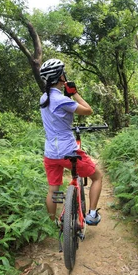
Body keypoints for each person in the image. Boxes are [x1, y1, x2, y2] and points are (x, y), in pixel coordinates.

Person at [39, 58, 102, 226]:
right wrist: (74, 93)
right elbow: (88, 111)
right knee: (97, 177)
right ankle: (92, 214)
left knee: (53, 187)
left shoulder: (43, 98)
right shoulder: (62, 100)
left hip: (50, 153)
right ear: (60, 77)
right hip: (68, 151)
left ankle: (52, 224)